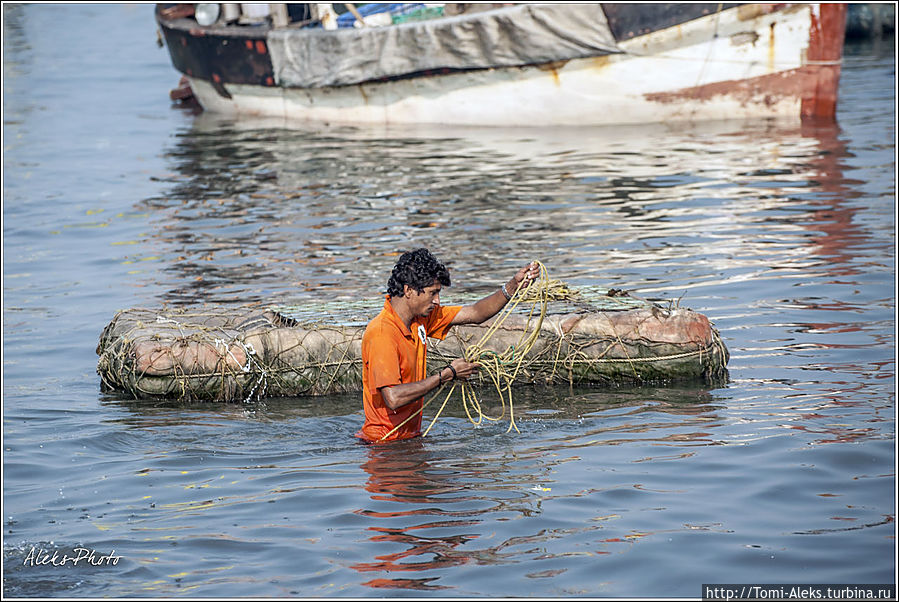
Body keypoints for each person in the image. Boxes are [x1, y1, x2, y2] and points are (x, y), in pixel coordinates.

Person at [357, 248, 539, 443]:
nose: (437, 301)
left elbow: (476, 313)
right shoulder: (382, 332)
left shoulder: (421, 318)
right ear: (409, 291)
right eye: (432, 293)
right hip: (383, 446)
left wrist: (512, 287)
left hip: (409, 439)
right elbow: (393, 397)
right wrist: (447, 375)